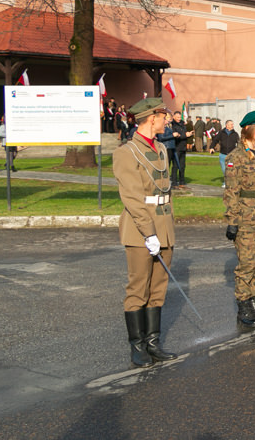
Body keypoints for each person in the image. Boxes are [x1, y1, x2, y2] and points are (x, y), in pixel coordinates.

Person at [112, 97, 177, 368]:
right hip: (141, 230)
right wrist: (148, 233)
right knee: (138, 288)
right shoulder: (126, 153)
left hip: (164, 226)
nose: (167, 120)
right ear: (151, 118)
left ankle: (153, 343)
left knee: (158, 288)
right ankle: (137, 346)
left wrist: (162, 232)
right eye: (163, 116)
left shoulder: (160, 148)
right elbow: (133, 197)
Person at [223, 110, 255, 328]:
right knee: (247, 264)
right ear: (249, 129)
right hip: (246, 219)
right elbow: (232, 192)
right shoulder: (236, 157)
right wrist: (232, 221)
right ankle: (244, 307)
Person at [210, 120, 240, 187]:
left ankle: (228, 183)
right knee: (224, 170)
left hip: (231, 156)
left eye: (233, 124)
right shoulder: (221, 133)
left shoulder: (235, 134)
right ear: (227, 125)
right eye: (231, 124)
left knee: (229, 169)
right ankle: (226, 182)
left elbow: (239, 143)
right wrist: (211, 147)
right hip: (222, 155)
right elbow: (215, 140)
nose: (232, 125)